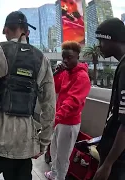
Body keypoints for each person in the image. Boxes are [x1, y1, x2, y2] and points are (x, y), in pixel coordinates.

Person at [0, 11, 56, 180]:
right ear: (27, 32)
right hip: (23, 145)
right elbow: (49, 105)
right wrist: (43, 142)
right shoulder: (42, 59)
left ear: (5, 30)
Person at [44, 41, 91, 180]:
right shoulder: (66, 73)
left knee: (63, 157)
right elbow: (55, 89)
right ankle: (53, 174)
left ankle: (60, 178)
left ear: (77, 56)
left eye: (69, 57)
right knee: (54, 150)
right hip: (59, 119)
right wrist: (57, 73)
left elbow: (73, 102)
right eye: (63, 57)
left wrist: (55, 119)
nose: (65, 60)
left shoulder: (82, 77)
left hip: (69, 123)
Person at [92, 18, 125, 180]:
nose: (99, 46)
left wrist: (108, 164)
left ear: (112, 39)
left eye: (101, 41)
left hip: (118, 161)